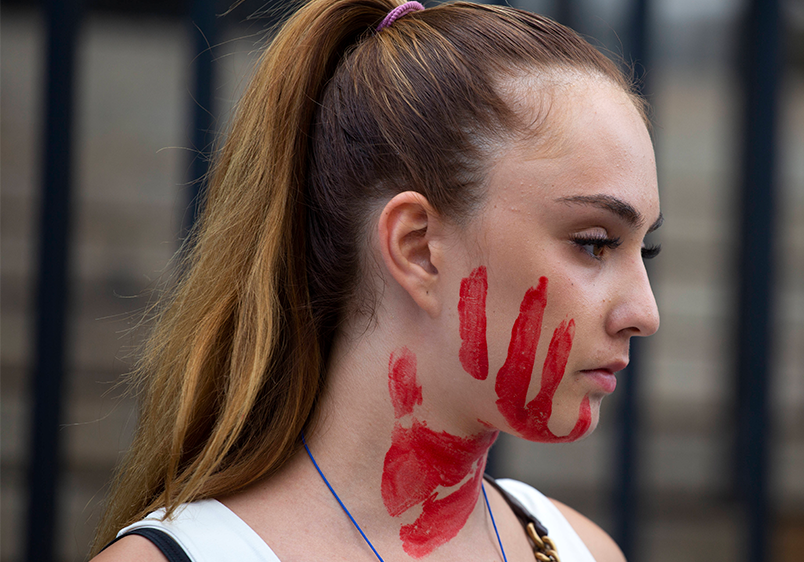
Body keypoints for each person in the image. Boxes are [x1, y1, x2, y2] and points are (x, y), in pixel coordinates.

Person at [91, 0, 661, 560]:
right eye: (595, 243)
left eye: (646, 250)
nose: (644, 312)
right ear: (417, 248)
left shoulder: (580, 549)